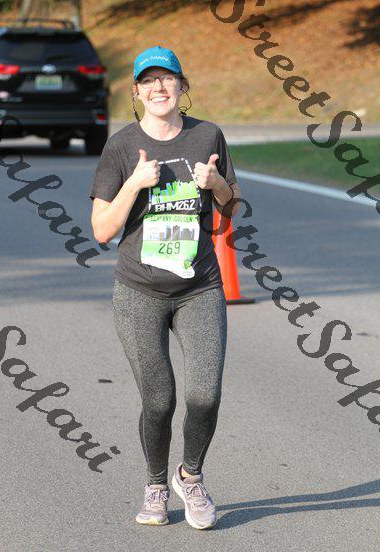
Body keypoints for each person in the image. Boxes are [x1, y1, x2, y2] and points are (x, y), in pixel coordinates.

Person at [88, 45, 241, 530]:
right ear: (136, 91)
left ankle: (189, 477)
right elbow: (101, 230)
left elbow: (230, 207)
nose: (159, 87)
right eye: (148, 80)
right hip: (139, 292)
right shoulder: (120, 146)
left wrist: (216, 183)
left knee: (205, 395)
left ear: (182, 86)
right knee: (159, 401)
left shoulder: (207, 135)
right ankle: (155, 486)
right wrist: (134, 184)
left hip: (200, 287)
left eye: (167, 78)